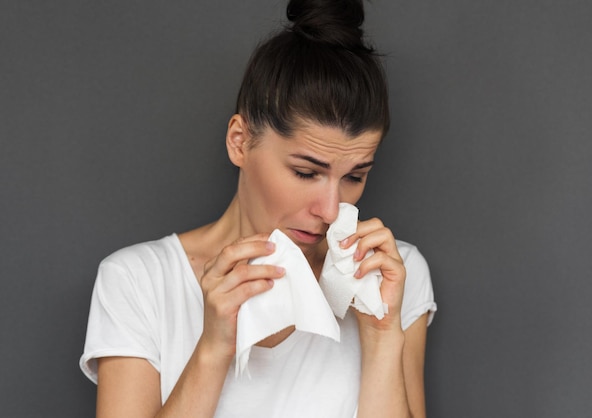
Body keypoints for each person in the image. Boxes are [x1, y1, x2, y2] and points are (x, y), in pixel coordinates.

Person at [79, 0, 437, 416]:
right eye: (306, 172)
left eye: (354, 176)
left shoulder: (390, 277)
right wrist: (213, 349)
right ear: (240, 141)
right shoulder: (140, 281)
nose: (330, 208)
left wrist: (381, 336)